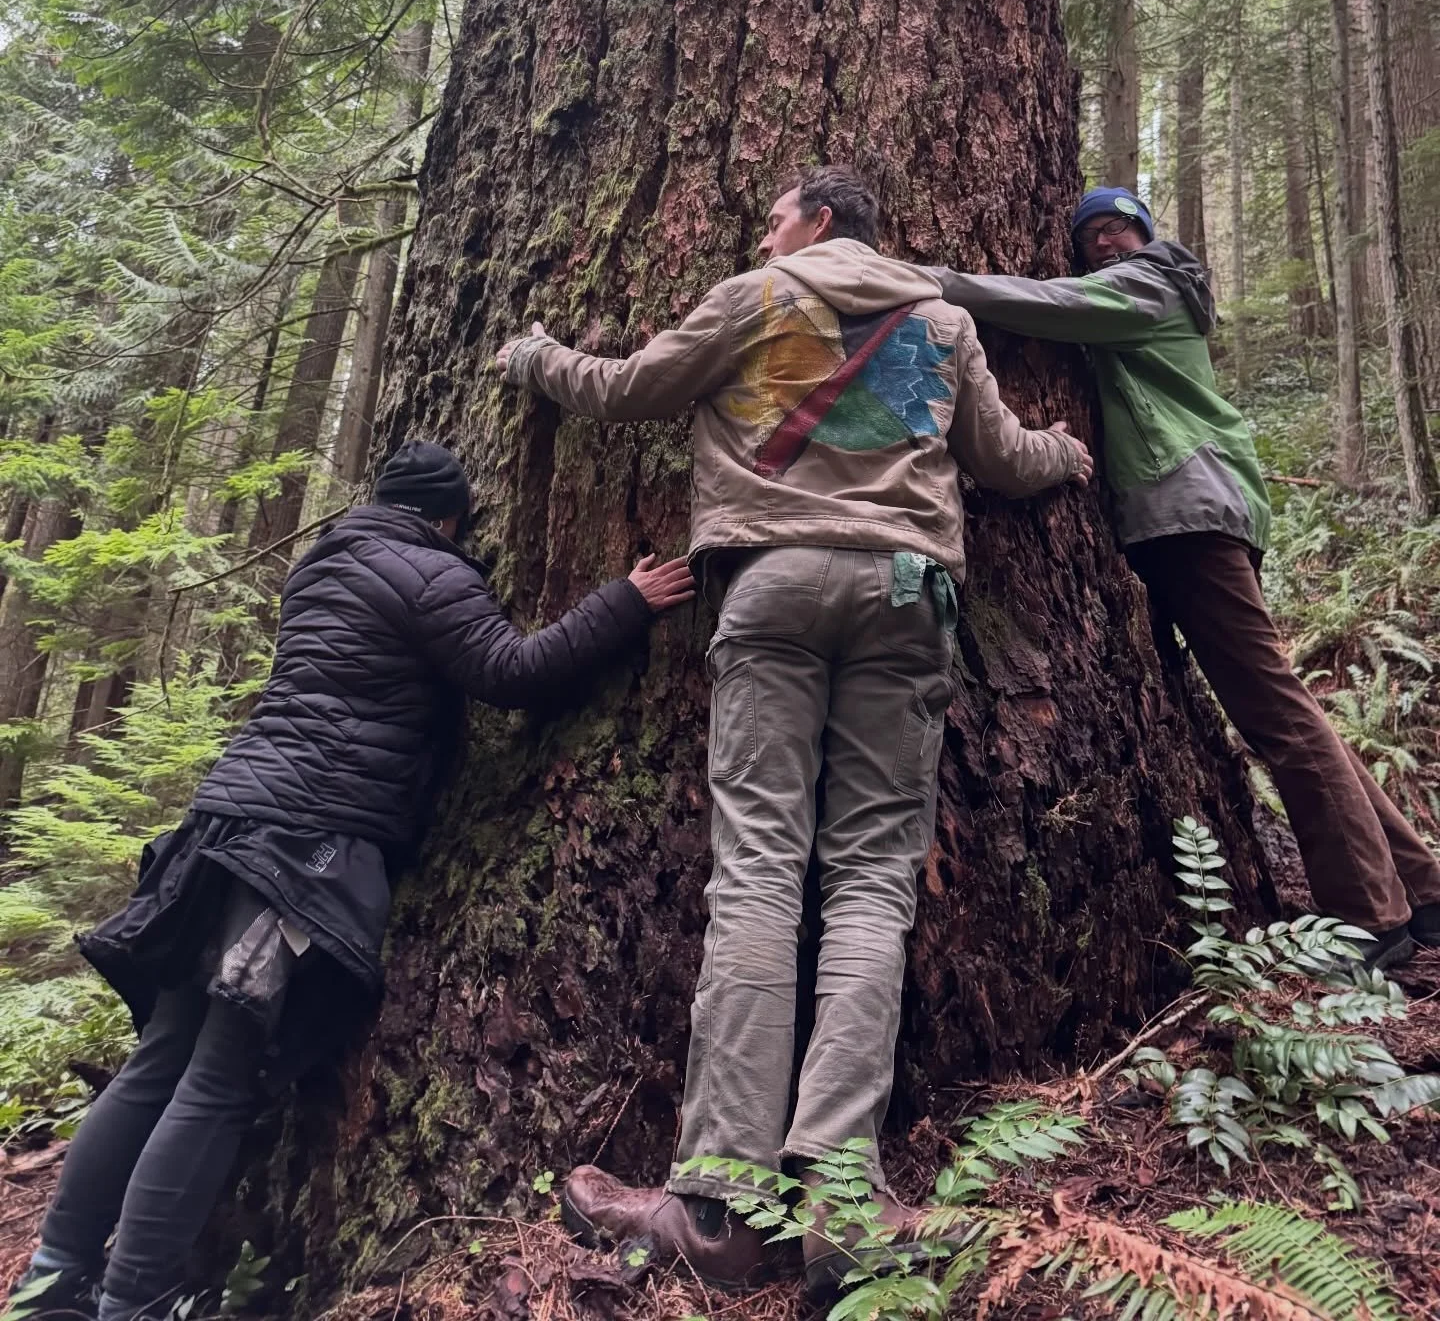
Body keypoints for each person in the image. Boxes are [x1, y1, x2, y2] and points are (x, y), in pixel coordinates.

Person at [495, 167, 1092, 1293]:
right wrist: (1066, 453)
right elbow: (1005, 459)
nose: (764, 232)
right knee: (871, 885)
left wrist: (533, 357)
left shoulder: (753, 298)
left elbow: (624, 389)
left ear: (817, 222)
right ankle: (839, 1205)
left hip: (771, 589)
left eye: (772, 216)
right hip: (909, 594)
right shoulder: (943, 317)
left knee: (762, 875)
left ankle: (719, 1209)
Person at [5, 440, 693, 1321]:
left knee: (161, 1057)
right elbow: (511, 674)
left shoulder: (319, 566)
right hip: (305, 840)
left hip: (226, 822)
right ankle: (136, 1298)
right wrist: (622, 603)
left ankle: (54, 1278)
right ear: (448, 516)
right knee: (219, 1074)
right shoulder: (426, 572)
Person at [934, 185, 1440, 971]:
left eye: (1117, 228)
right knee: (1286, 703)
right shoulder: (1148, 287)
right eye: (1090, 236)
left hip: (1190, 513)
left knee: (1276, 716)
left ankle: (1371, 920)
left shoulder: (1150, 284)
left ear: (1144, 234)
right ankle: (1421, 887)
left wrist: (927, 280)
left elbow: (1044, 303)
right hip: (1196, 510)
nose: (1104, 243)